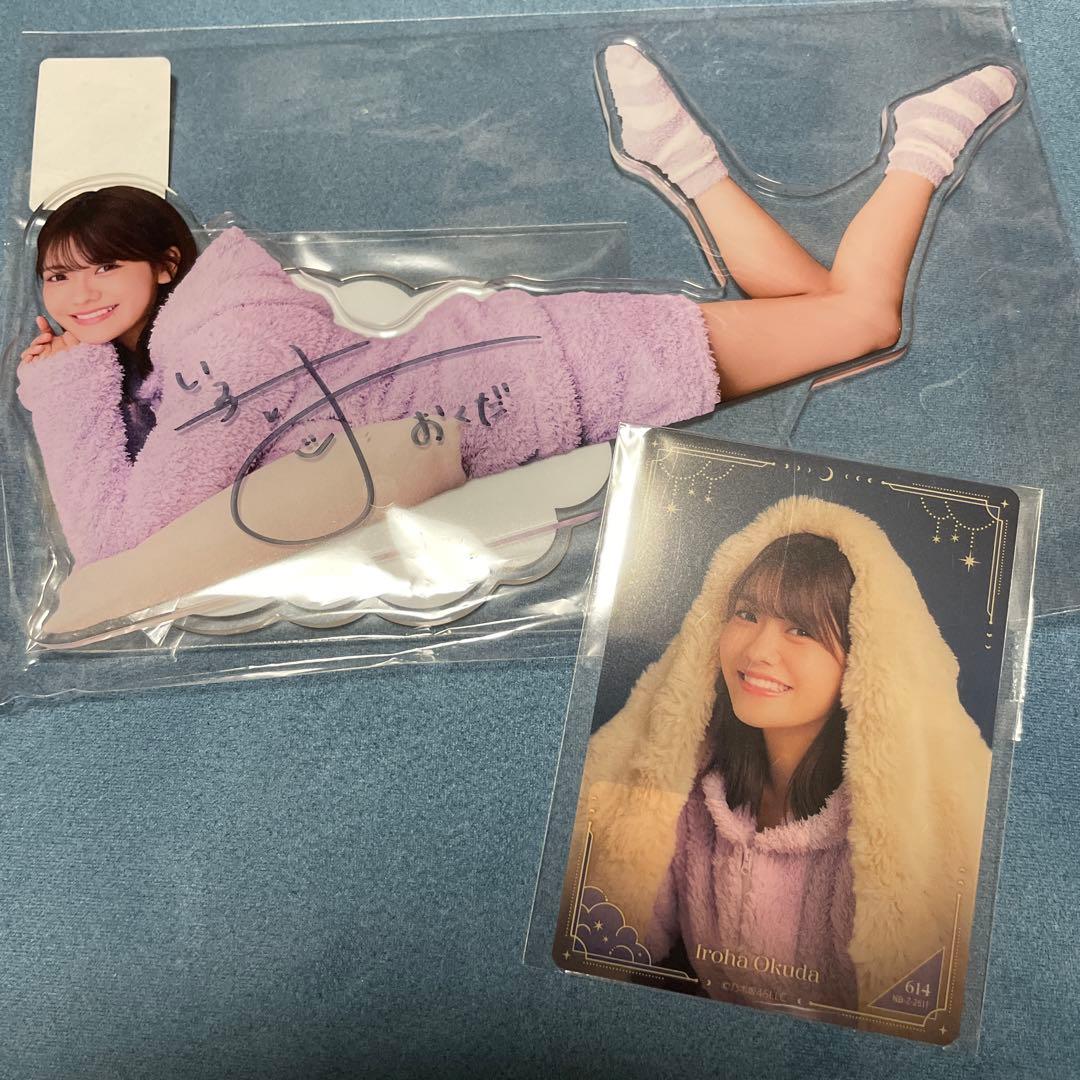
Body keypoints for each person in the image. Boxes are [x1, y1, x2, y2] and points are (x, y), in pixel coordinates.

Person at [17, 45, 1018, 567]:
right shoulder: (209, 337)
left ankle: (921, 148)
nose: (79, 294)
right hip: (536, 367)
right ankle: (679, 158)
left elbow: (115, 543)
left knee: (862, 323)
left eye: (100, 267)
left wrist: (63, 389)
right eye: (59, 278)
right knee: (816, 312)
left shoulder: (218, 360)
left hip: (563, 380)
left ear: (166, 260)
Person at [570, 495, 992, 1033]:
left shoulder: (890, 838)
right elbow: (609, 934)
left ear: (864, 657)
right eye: (747, 615)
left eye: (801, 629)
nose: (758, 651)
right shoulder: (693, 799)